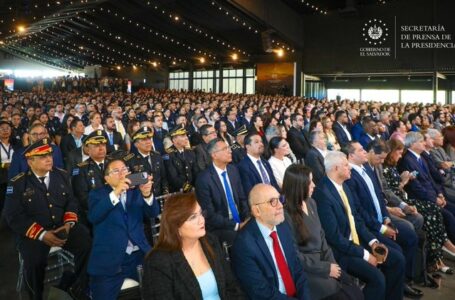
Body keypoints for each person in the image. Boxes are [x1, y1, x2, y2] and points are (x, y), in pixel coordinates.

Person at [3, 138, 91, 299]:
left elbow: (71, 201)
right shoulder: (18, 184)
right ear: (30, 161)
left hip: (62, 226)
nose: (49, 159)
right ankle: (36, 295)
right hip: (35, 233)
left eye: (49, 154)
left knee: (86, 242)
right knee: (34, 263)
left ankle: (77, 286)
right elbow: (13, 216)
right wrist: (43, 234)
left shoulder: (61, 175)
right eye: (43, 156)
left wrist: (68, 224)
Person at [313, 151, 405, 300]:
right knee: (377, 279)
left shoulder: (344, 186)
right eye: (345, 165)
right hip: (340, 251)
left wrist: (373, 242)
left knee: (396, 260)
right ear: (336, 168)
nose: (349, 167)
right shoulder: (323, 194)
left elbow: (356, 219)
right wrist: (366, 254)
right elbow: (334, 237)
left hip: (355, 241)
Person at [344, 141, 422, 298]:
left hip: (381, 219)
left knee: (409, 238)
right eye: (361, 150)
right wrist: (381, 228)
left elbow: (379, 195)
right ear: (351, 155)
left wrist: (386, 217)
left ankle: (403, 282)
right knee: (397, 255)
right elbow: (359, 211)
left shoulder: (366, 168)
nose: (365, 151)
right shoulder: (350, 176)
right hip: (369, 226)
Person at [142, 192, 245, 299]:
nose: (201, 220)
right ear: (176, 225)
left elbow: (232, 287)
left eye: (201, 213)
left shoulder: (211, 241)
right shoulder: (158, 261)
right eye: (193, 217)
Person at [283, 164, 363, 300]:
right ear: (298, 185)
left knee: (356, 292)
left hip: (325, 263)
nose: (314, 185)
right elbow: (294, 255)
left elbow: (322, 238)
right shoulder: (285, 215)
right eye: (309, 182)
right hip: (309, 271)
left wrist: (333, 266)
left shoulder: (311, 202)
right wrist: (326, 268)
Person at [87, 158, 159, 299]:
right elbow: (94, 217)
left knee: (159, 290)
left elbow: (153, 213)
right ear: (106, 178)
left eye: (125, 170)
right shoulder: (97, 195)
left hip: (139, 255)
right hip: (110, 259)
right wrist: (117, 192)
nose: (122, 173)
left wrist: (147, 194)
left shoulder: (136, 191)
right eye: (116, 171)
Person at [383, 138, 455, 277]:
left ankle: (439, 255)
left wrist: (438, 194)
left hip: (406, 199)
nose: (400, 154)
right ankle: (438, 255)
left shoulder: (393, 166)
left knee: (434, 210)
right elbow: (391, 192)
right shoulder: (390, 167)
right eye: (398, 152)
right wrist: (404, 181)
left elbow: (431, 179)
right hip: (402, 201)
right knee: (430, 212)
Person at [231, 184, 310, 299]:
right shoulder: (243, 245)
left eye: (280, 199)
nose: (280, 206)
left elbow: (297, 269)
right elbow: (261, 292)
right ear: (256, 211)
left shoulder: (282, 226)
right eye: (272, 201)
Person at [398, 132, 455, 246]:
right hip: (423, 199)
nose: (424, 143)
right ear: (413, 144)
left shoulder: (420, 158)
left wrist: (439, 194)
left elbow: (430, 179)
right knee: (449, 216)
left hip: (433, 195)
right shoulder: (407, 160)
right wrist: (434, 199)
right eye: (421, 141)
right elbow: (416, 188)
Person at [196, 138, 250, 245]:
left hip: (240, 219)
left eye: (229, 148)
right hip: (220, 227)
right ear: (214, 155)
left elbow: (242, 198)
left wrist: (247, 217)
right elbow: (210, 215)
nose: (230, 151)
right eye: (225, 149)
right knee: (244, 240)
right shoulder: (203, 179)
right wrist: (236, 226)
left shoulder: (233, 170)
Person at [71, 130, 108, 227]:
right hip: (97, 216)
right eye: (96, 146)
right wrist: (105, 206)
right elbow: (83, 198)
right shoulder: (81, 169)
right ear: (88, 150)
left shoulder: (114, 163)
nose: (101, 148)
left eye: (103, 145)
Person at [163, 125, 198, 192]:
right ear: (174, 139)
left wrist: (197, 185)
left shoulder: (190, 152)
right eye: (183, 136)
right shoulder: (168, 154)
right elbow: (173, 177)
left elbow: (196, 172)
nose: (186, 138)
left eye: (186, 135)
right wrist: (188, 188)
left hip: (193, 189)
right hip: (178, 191)